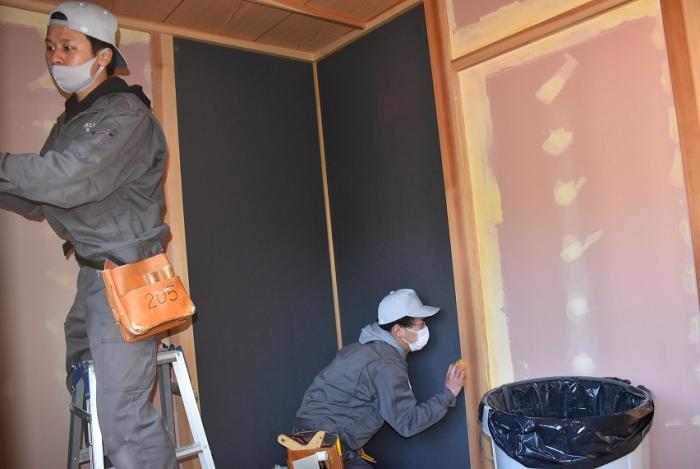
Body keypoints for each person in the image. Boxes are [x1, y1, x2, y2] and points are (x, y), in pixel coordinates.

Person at [0, 2, 177, 467]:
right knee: (88, 391)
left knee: (123, 418)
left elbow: (65, 179)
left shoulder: (125, 116)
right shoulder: (71, 121)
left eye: (68, 47)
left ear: (103, 57)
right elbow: (41, 197)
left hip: (128, 274)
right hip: (95, 276)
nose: (55, 58)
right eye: (50, 48)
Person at [294, 289, 465, 468]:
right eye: (420, 324)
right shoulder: (387, 363)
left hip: (305, 443)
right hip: (323, 446)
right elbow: (408, 422)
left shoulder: (363, 350)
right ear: (398, 330)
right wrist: (448, 394)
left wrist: (348, 442)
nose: (424, 329)